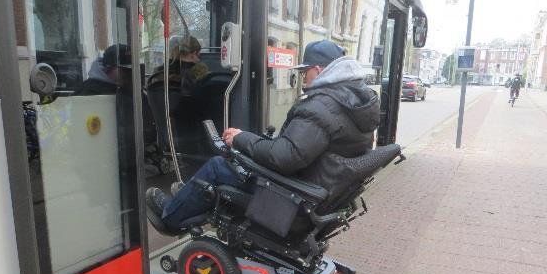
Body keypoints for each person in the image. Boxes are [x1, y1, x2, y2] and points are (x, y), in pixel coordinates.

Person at [145, 39, 379, 234]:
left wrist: (240, 138)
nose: (303, 78)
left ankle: (171, 218)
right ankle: (191, 198)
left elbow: (284, 157)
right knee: (236, 161)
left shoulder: (323, 106)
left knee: (218, 166)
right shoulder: (355, 102)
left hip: (291, 197)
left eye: (304, 71)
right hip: (312, 191)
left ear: (318, 70)